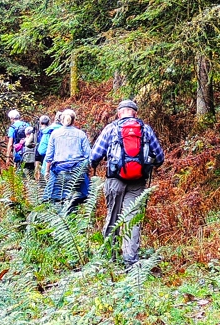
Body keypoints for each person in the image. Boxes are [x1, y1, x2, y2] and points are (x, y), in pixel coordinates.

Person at [89, 99, 165, 266]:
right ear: (135, 113)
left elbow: (94, 155)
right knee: (133, 219)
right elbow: (159, 156)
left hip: (114, 180)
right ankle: (130, 259)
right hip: (137, 181)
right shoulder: (145, 129)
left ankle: (110, 255)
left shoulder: (111, 128)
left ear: (119, 113)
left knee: (113, 216)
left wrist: (95, 165)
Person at [44, 109, 91, 209]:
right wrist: (87, 170)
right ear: (74, 121)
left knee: (53, 198)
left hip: (58, 171)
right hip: (78, 170)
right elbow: (88, 155)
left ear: (61, 120)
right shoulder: (81, 134)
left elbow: (49, 156)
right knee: (83, 198)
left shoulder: (55, 134)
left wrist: (47, 171)